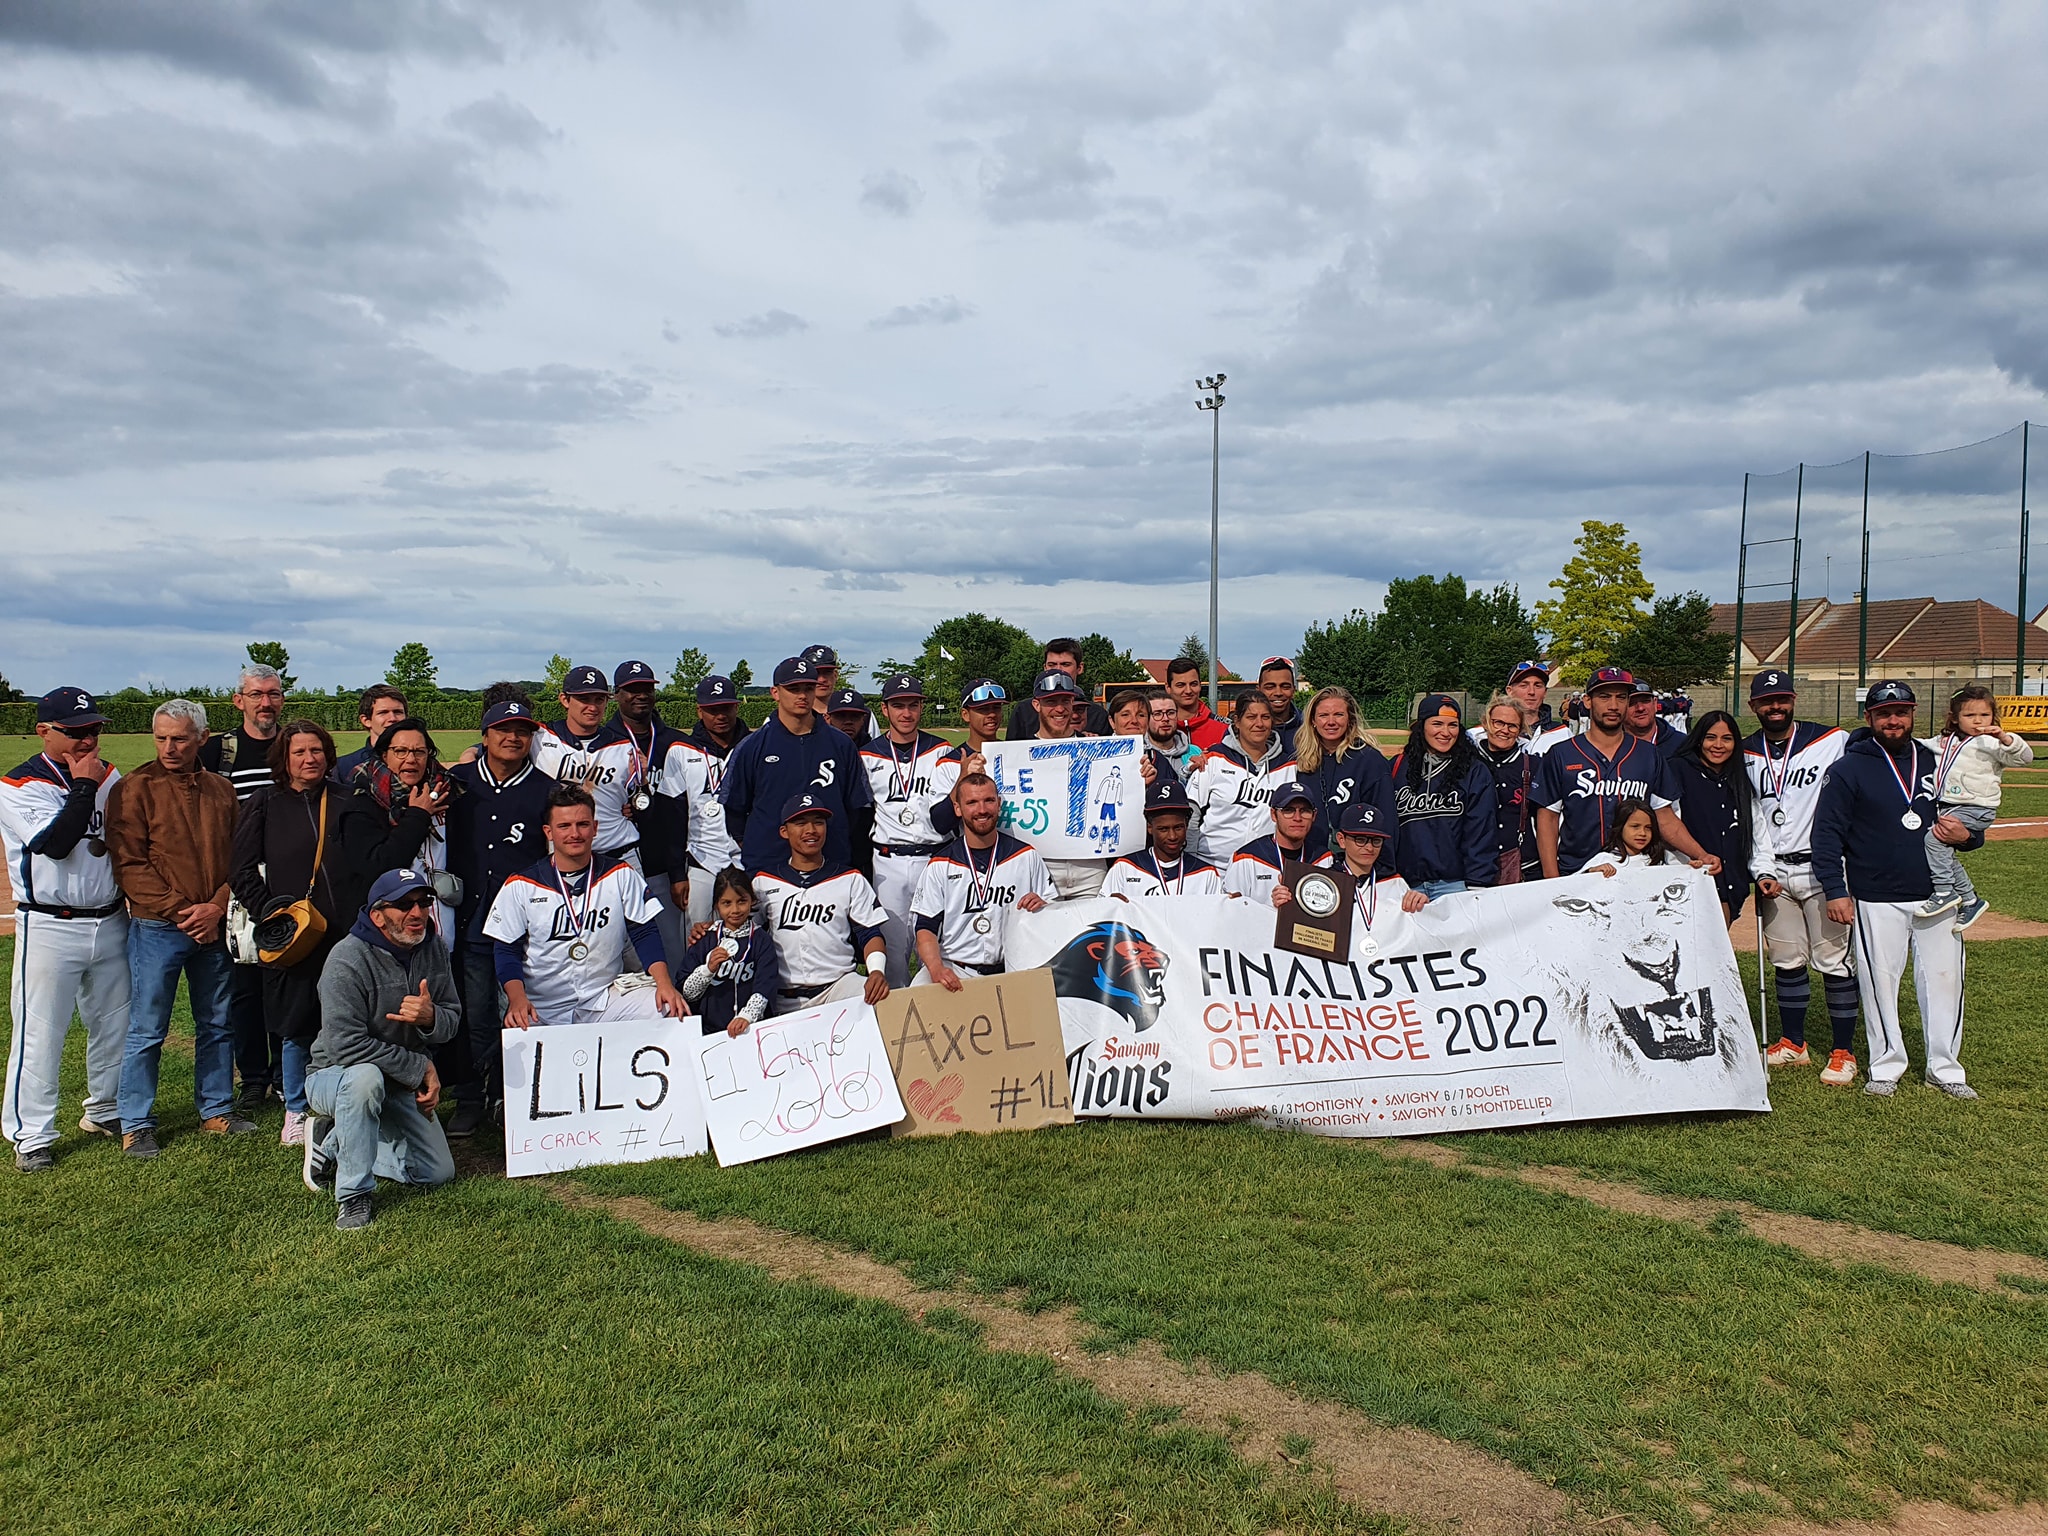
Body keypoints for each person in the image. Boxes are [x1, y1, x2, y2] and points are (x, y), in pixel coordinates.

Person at [234, 720, 425, 1147]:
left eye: (316, 751)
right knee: (298, 1023)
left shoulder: (351, 800)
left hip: (349, 933)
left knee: (354, 1019)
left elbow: (377, 858)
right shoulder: (266, 802)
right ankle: (297, 1109)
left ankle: (358, 1103)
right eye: (299, 752)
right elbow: (241, 869)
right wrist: (271, 913)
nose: (309, 759)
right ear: (284, 758)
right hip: (296, 935)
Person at [1811, 680, 1980, 1099]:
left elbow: (1968, 816)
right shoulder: (1848, 768)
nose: (1893, 720)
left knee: (1945, 981)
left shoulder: (1937, 759)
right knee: (1879, 982)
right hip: (1874, 894)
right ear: (1868, 718)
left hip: (1938, 894)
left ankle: (1945, 1069)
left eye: (1901, 712)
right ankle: (1886, 1065)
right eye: (1884, 713)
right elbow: (1827, 835)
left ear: (1913, 714)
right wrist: (1835, 889)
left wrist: (1969, 837)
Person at [106, 699, 251, 1158]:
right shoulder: (133, 789)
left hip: (212, 924)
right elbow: (130, 864)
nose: (169, 747)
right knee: (147, 1029)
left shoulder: (221, 791)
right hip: (158, 927)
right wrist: (183, 910)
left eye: (180, 738)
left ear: (202, 739)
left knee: (217, 1023)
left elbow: (240, 857)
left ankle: (216, 1110)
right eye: (162, 738)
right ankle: (136, 1122)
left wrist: (216, 906)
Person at [0, 688, 128, 1173]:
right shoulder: (19, 784)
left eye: (94, 729)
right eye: (75, 732)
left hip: (111, 917)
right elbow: (54, 844)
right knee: (41, 1031)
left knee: (115, 1023)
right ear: (44, 733)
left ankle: (105, 1109)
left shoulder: (109, 774)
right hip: (49, 925)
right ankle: (31, 1134)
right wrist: (82, 785)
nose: (88, 740)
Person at [300, 868, 460, 1231]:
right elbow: (345, 1045)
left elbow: (452, 1019)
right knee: (364, 1080)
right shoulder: (346, 958)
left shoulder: (434, 948)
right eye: (404, 905)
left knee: (436, 1173)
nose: (417, 913)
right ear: (377, 915)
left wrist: (431, 1017)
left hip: (397, 1079)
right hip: (334, 1076)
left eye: (423, 902)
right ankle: (353, 1196)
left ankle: (335, 1143)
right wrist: (418, 1066)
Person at [486, 786, 688, 1028]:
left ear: (595, 828)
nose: (575, 833)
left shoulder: (620, 874)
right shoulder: (521, 885)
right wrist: (517, 999)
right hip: (541, 1006)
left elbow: (644, 932)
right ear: (548, 832)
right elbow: (506, 949)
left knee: (668, 1008)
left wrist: (664, 983)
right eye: (564, 826)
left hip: (602, 998)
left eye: (582, 824)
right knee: (518, 1025)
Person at [1741, 668, 1858, 1082]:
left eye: (1782, 699)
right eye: (1766, 701)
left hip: (1824, 868)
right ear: (1753, 706)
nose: (1775, 706)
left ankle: (1844, 1050)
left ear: (1793, 701)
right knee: (1787, 960)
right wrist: (1762, 870)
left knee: (1834, 961)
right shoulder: (1746, 751)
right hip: (1775, 872)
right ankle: (1794, 1043)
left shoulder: (1833, 740)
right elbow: (1755, 818)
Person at [442, 698, 550, 1136]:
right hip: (467, 920)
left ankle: (512, 1097)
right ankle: (471, 1096)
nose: (513, 738)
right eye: (504, 729)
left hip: (522, 929)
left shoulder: (546, 789)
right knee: (474, 1013)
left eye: (522, 731)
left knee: (518, 1012)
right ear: (484, 735)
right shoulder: (457, 782)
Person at [1534, 668, 1719, 879]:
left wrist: (1701, 854)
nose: (1613, 705)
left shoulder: (1649, 754)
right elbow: (1548, 819)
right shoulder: (1562, 754)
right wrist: (1552, 880)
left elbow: (1665, 817)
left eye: (1621, 697)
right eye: (1604, 696)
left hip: (1636, 873)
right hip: (1578, 872)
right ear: (1587, 701)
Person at [200, 660, 285, 1110]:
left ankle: (284, 1073)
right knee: (245, 986)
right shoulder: (218, 752)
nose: (265, 703)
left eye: (272, 694)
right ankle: (254, 1077)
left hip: (288, 881)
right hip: (240, 884)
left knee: (283, 980)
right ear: (240, 701)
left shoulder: (293, 747)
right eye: (256, 695)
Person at [720, 655, 872, 876]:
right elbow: (734, 809)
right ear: (775, 692)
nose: (802, 695)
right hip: (769, 865)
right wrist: (758, 844)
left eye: (808, 688)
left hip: (831, 863)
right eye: (793, 689)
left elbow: (856, 808)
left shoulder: (841, 744)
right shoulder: (752, 746)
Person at [858, 674, 959, 988]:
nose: (906, 713)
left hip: (935, 856)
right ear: (885, 709)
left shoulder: (941, 750)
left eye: (913, 705)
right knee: (894, 951)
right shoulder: (868, 754)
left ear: (921, 708)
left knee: (940, 947)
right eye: (898, 705)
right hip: (888, 860)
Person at [750, 796, 890, 1013]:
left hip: (838, 987)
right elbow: (742, 931)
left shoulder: (850, 878)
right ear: (784, 831)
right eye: (800, 823)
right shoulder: (763, 882)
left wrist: (876, 972)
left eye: (818, 822)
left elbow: (870, 933)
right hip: (783, 995)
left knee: (881, 1001)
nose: (811, 830)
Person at [912, 773, 1052, 987]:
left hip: (1014, 968)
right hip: (957, 969)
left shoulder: (1026, 855)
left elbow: (1055, 914)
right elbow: (925, 927)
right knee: (917, 988)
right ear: (958, 809)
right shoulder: (940, 864)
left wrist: (1045, 907)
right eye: (972, 802)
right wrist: (936, 968)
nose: (982, 810)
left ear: (999, 804)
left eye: (989, 800)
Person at [1919, 683, 2032, 928]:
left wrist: (2004, 737)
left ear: (1993, 717)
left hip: (1977, 807)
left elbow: (2025, 757)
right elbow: (1920, 745)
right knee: (1943, 850)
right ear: (1955, 718)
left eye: (1984, 715)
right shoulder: (1945, 741)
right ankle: (1970, 900)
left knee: (1932, 841)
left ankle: (1944, 892)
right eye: (1969, 715)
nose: (1978, 721)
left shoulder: (1992, 744)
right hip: (1951, 806)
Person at [610, 660, 692, 966]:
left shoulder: (676, 743)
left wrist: (677, 872)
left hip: (664, 867)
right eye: (632, 690)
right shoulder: (605, 744)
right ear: (617, 694)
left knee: (672, 955)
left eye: (646, 688)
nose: (640, 695)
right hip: (617, 867)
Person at [529, 665, 647, 871]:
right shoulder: (540, 737)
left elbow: (643, 804)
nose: (592, 707)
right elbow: (501, 748)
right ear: (565, 700)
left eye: (599, 700)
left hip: (619, 852)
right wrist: (473, 753)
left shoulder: (624, 746)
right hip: (560, 857)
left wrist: (642, 784)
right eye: (584, 699)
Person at [659, 674, 750, 929]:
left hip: (746, 857)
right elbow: (672, 815)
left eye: (726, 708)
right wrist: (677, 874)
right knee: (697, 934)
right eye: (712, 710)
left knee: (748, 934)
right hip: (701, 858)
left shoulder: (752, 746)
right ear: (699, 711)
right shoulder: (681, 750)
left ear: (736, 707)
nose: (720, 716)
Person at [1389, 694, 1498, 896]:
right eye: (1437, 724)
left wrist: (1477, 883)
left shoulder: (1473, 771)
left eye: (1453, 725)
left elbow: (1482, 831)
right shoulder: (1397, 768)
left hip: (1455, 885)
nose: (1445, 732)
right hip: (1405, 885)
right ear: (1421, 727)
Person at [1024, 671, 1114, 900]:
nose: (1060, 709)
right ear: (1036, 705)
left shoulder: (1098, 749)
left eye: (1065, 701)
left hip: (1090, 864)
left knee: (1091, 933)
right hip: (1042, 865)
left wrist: (1141, 776)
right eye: (1050, 702)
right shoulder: (1018, 752)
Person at [1669, 711, 1764, 924]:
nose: (1718, 745)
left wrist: (1763, 872)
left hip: (1729, 884)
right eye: (1711, 737)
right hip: (1690, 881)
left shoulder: (1739, 778)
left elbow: (1756, 829)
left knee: (1716, 954)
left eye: (1727, 739)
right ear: (1699, 739)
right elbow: (1669, 823)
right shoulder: (1678, 769)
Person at [1185, 689, 1297, 865]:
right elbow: (1191, 812)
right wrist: (1190, 862)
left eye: (1265, 717)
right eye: (1251, 717)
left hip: (1266, 865)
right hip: (1213, 864)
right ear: (1237, 721)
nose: (1259, 724)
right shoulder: (1213, 759)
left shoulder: (1289, 766)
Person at [1272, 804, 1430, 926]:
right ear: (1341, 840)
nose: (1369, 847)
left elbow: (1413, 927)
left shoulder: (1394, 882)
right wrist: (1285, 905)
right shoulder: (1323, 881)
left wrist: (1420, 904)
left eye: (1376, 841)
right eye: (1360, 840)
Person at [1291, 685, 1398, 858]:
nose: (1331, 721)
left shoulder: (1370, 760)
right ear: (1313, 720)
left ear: (1350, 719)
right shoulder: (1301, 761)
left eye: (1338, 714)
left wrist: (1384, 869)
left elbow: (1386, 820)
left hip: (1355, 865)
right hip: (1310, 860)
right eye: (1323, 715)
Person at [678, 867, 779, 1034]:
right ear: (717, 904)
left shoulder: (761, 940)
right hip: (710, 1030)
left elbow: (766, 984)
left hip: (750, 1029)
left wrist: (746, 1016)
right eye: (727, 903)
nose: (735, 910)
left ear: (752, 900)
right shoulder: (704, 939)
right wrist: (707, 969)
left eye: (741, 901)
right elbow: (687, 993)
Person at [1103, 776, 1225, 898]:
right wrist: (1110, 905)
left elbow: (1220, 914)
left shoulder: (1206, 874)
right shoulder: (1125, 868)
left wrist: (1233, 907)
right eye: (1163, 829)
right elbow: (1102, 912)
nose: (1172, 836)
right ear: (1149, 827)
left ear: (1187, 824)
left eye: (1178, 828)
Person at [1225, 782, 1333, 903]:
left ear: (1314, 816)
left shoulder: (1324, 859)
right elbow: (1231, 912)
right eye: (1288, 810)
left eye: (1305, 811)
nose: (1297, 818)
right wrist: (1271, 910)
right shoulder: (1246, 859)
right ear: (1274, 815)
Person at [1476, 695, 1537, 884]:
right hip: (1475, 867)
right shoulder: (1468, 763)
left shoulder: (1533, 765)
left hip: (1524, 866)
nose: (1505, 730)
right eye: (1498, 723)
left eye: (1512, 726)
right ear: (1486, 723)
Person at [1005, 638, 1114, 738]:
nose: (1058, 670)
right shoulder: (1024, 711)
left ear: (1080, 668)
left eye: (1065, 664)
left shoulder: (1098, 715)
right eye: (1052, 664)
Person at [1583, 799, 1700, 875]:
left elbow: (1682, 877)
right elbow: (1575, 887)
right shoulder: (1604, 859)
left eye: (1648, 827)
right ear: (1620, 827)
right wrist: (1592, 872)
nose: (1642, 833)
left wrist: (1691, 869)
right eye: (1635, 826)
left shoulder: (1663, 858)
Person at [802, 645, 882, 738]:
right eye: (816, 673)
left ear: (835, 675)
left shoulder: (864, 714)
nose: (822, 679)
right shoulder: (797, 714)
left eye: (827, 672)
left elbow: (875, 748)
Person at [332, 686, 408, 782]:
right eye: (383, 712)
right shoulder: (343, 767)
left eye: (398, 712)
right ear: (366, 720)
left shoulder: (421, 763)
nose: (392, 718)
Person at [1165, 657, 1229, 750]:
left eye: (1193, 684)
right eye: (1180, 685)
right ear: (1168, 687)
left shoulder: (1224, 728)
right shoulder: (1158, 728)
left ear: (1200, 685)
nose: (1188, 690)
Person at [1145, 689, 1201, 782]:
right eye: (1157, 714)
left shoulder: (1194, 752)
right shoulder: (1141, 755)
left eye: (1171, 713)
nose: (1166, 719)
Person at [1625, 681, 1689, 758]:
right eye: (1631, 703)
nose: (1640, 708)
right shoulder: (1610, 746)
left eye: (1645, 701)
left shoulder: (1683, 744)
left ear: (1655, 704)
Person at [1258, 657, 1304, 755]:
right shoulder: (1244, 729)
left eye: (1285, 687)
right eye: (1270, 687)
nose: (1278, 693)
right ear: (1259, 690)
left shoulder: (1309, 727)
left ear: (1294, 691)